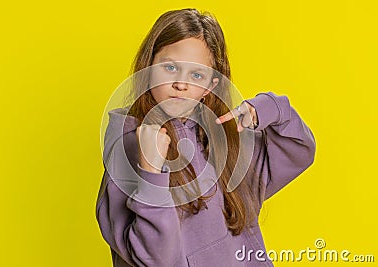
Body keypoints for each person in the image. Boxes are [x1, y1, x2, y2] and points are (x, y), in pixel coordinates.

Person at [95, 8, 316, 267]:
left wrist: (268, 108)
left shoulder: (221, 138)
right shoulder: (130, 147)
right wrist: (152, 171)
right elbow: (154, 260)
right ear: (148, 68)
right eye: (169, 67)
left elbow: (300, 150)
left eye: (196, 74)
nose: (181, 83)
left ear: (210, 85)